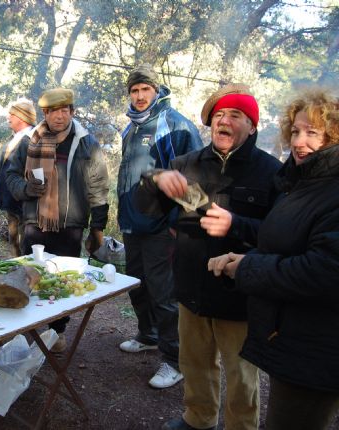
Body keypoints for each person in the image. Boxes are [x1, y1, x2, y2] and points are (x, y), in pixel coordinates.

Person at [134, 84, 282, 430]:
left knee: (241, 375)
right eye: (218, 116)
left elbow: (279, 235)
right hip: (190, 288)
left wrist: (236, 224)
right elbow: (147, 210)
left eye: (234, 115)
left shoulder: (271, 172)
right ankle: (197, 420)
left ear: (252, 126)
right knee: (195, 364)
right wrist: (154, 179)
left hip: (239, 294)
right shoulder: (186, 164)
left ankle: (240, 427)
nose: (223, 122)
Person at [208, 90, 339, 430]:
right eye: (295, 131)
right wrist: (247, 256)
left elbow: (325, 271)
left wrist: (248, 267)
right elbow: (288, 244)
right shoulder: (301, 182)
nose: (299, 141)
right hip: (294, 335)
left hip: (318, 348)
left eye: (313, 132)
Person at [116, 64, 202, 388]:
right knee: (137, 285)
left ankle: (173, 360)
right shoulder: (131, 128)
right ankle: (147, 335)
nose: (139, 96)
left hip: (161, 226)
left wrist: (180, 223)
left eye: (145, 90)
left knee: (164, 293)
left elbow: (193, 179)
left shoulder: (174, 125)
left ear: (157, 90)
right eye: (134, 91)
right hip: (132, 222)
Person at [6, 88, 109, 352]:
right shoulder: (30, 140)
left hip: (70, 224)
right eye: (54, 112)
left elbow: (98, 187)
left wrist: (97, 228)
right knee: (31, 275)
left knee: (62, 279)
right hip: (34, 222)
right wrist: (26, 189)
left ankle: (57, 330)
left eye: (65, 111)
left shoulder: (86, 143)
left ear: (72, 112)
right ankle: (29, 325)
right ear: (45, 114)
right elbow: (12, 175)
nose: (60, 116)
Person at [0, 98, 37, 256]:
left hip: (25, 206)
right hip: (11, 204)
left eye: (12, 114)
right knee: (14, 246)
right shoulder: (15, 138)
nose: (8, 117)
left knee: (26, 248)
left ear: (22, 117)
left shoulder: (34, 139)